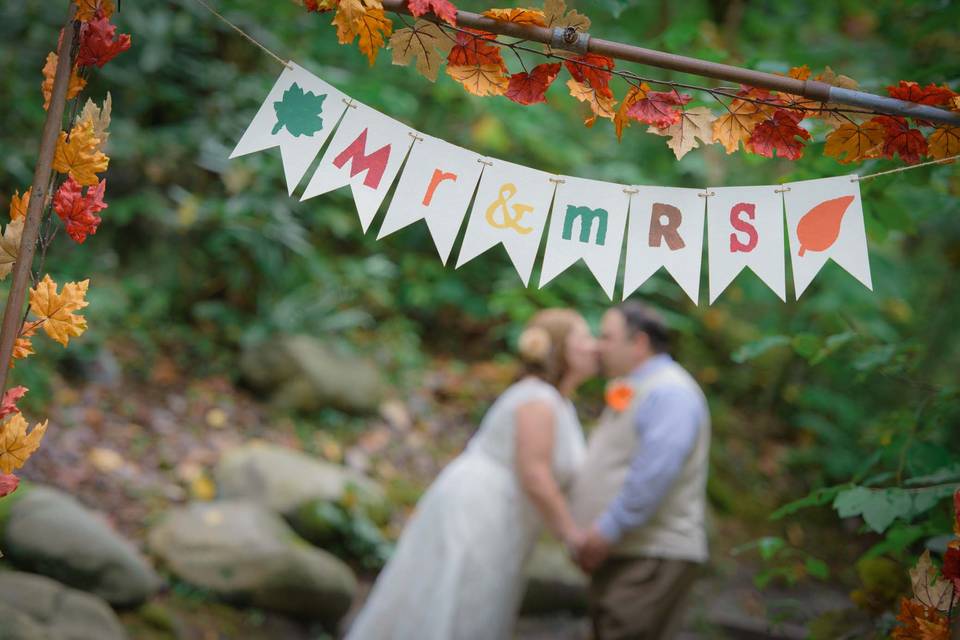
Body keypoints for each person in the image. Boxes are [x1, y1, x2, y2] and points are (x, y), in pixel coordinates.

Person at [345, 309, 597, 640]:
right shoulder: (538, 398)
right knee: (458, 600)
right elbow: (534, 474)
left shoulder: (559, 403)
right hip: (481, 511)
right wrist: (571, 537)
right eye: (583, 338)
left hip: (508, 518)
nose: (593, 346)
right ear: (560, 347)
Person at [570, 301, 710, 640]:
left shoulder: (670, 392)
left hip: (653, 553)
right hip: (632, 551)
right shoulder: (640, 387)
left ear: (639, 343)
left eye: (607, 337)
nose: (598, 346)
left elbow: (654, 474)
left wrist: (606, 530)